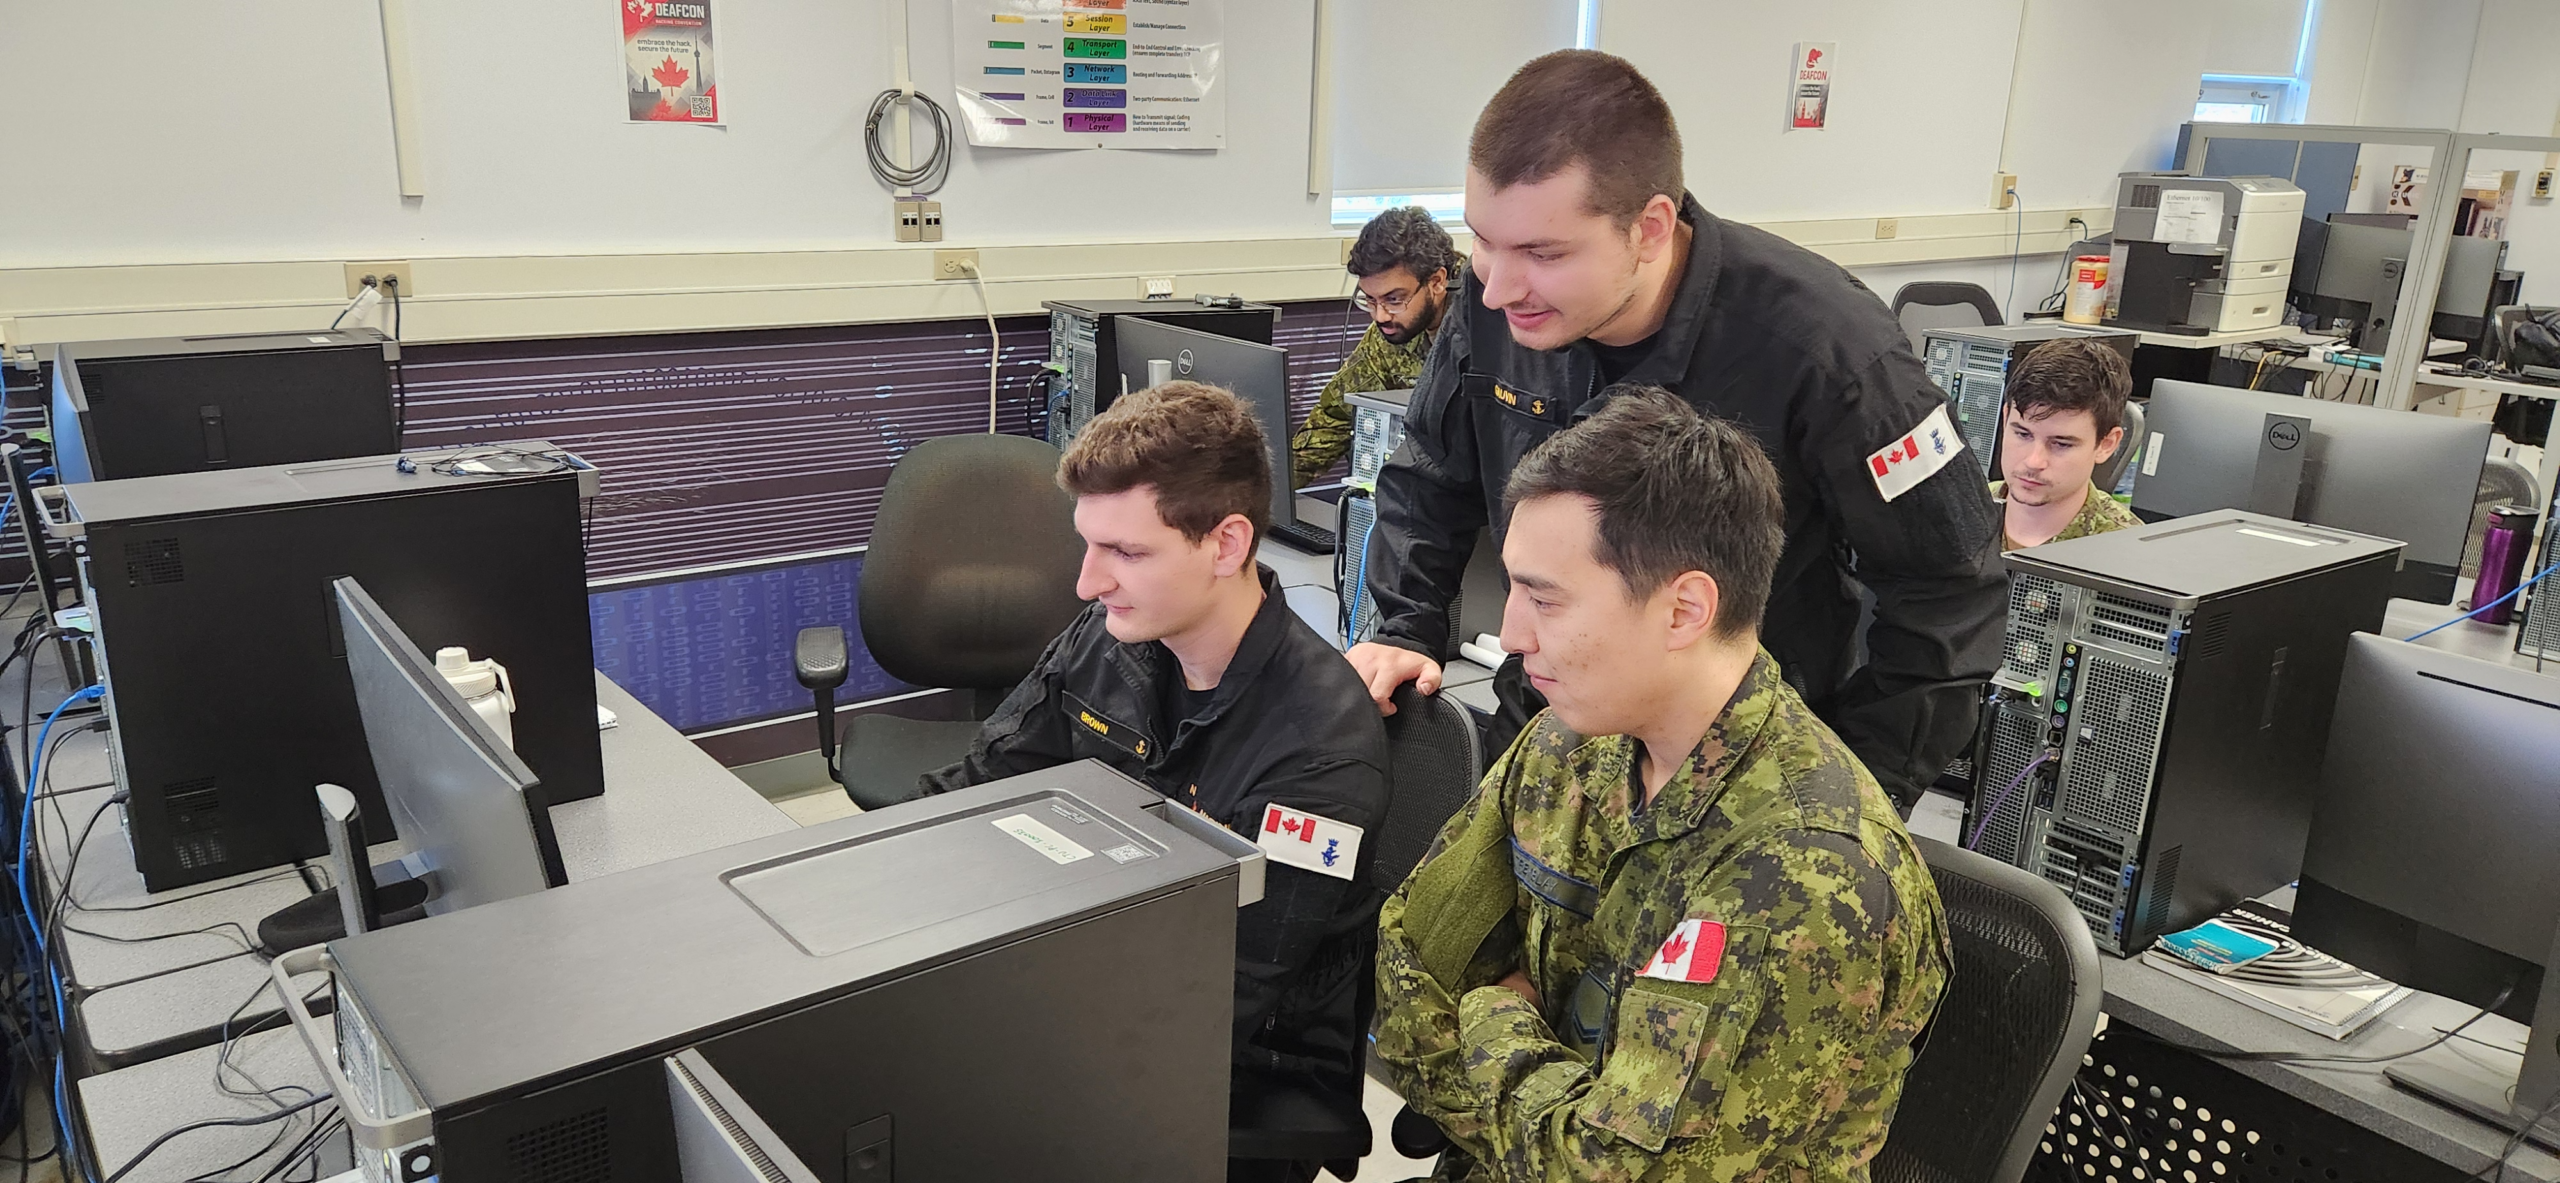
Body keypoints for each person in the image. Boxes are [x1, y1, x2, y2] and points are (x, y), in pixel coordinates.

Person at [1344, 50, 2005, 815]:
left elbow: (1949, 593)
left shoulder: (1830, 352)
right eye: (1484, 240)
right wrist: (1404, 629)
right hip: (1550, 731)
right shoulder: (1496, 300)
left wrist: (1852, 788)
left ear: (1650, 228)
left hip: (1743, 775)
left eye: (1543, 253)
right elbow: (1431, 475)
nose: (1497, 287)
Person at [1373, 389, 1950, 1181]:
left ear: (1683, 611)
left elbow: (1611, 1174)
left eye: (1544, 597)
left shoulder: (1806, 872)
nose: (1510, 633)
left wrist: (1494, 1014)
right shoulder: (1565, 744)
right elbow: (1406, 981)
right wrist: (1547, 1116)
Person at [917, 382, 1389, 1183]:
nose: (1087, 582)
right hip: (1082, 968)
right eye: (1088, 545)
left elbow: (1220, 995)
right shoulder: (1111, 639)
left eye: (1126, 553)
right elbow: (977, 787)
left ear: (1227, 544)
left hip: (1231, 1071)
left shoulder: (1320, 751)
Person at [1289, 206, 1465, 487]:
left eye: (1394, 299)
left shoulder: (1485, 324)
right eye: (1370, 300)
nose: (1380, 315)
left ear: (1436, 282)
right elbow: (1334, 418)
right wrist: (1257, 492)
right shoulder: (1390, 332)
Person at [1992, 338, 2142, 550]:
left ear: (2106, 444)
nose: (2034, 462)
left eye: (2061, 444)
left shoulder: (2126, 550)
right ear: (2005, 418)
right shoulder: (1956, 510)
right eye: (2023, 434)